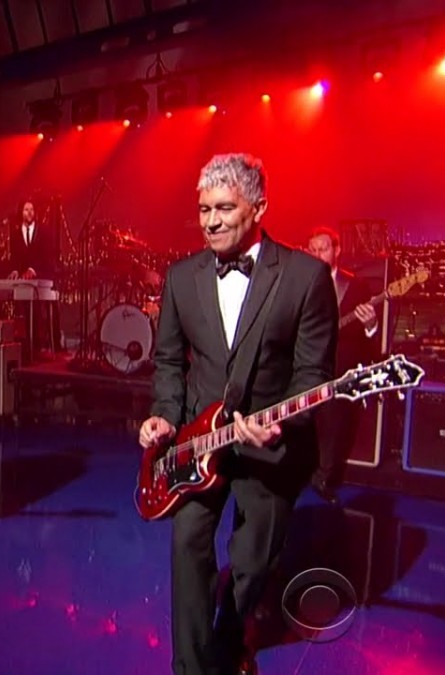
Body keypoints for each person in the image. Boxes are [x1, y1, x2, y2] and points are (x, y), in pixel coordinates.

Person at [139, 153, 338, 675]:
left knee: (252, 565)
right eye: (204, 209)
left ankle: (229, 644)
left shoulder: (306, 277)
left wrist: (278, 422)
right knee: (188, 545)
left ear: (259, 208)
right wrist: (165, 415)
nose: (211, 221)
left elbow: (313, 374)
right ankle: (191, 667)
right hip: (197, 443)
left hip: (269, 447)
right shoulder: (181, 277)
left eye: (224, 208)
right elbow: (168, 362)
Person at [305, 227, 381, 503]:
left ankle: (324, 479)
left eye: (323, 249)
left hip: (339, 370)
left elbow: (368, 336)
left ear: (337, 250)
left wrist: (371, 324)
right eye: (313, 250)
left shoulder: (356, 286)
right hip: (304, 368)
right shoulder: (299, 283)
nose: (317, 255)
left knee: (334, 429)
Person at [6, 199, 60, 360]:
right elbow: (15, 256)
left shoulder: (44, 231)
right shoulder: (15, 233)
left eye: (31, 209)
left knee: (39, 311)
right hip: (24, 279)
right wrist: (15, 270)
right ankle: (30, 346)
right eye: (26, 209)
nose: (29, 212)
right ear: (21, 213)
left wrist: (33, 270)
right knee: (26, 310)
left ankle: (43, 345)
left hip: (41, 276)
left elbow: (47, 255)